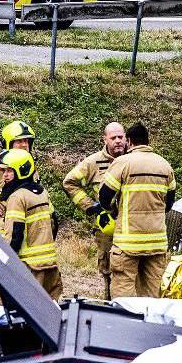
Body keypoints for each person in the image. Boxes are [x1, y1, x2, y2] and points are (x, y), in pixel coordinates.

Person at [98, 122, 176, 298]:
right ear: (148, 141)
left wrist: (114, 209)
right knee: (152, 295)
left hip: (128, 243)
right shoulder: (165, 165)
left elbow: (104, 198)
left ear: (129, 142)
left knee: (123, 294)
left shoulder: (122, 163)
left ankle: (125, 325)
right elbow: (169, 203)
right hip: (156, 244)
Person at [64, 121, 127, 298]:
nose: (117, 141)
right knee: (108, 267)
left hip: (132, 224)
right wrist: (91, 207)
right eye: (113, 137)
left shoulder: (133, 159)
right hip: (107, 225)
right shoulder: (93, 163)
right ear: (105, 139)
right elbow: (69, 183)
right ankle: (109, 300)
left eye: (120, 137)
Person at [0, 149, 62, 300]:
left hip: (29, 267)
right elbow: (54, 222)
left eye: (9, 170)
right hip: (50, 264)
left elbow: (15, 234)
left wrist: (6, 261)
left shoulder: (17, 197)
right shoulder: (42, 192)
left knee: (26, 311)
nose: (4, 175)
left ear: (21, 170)